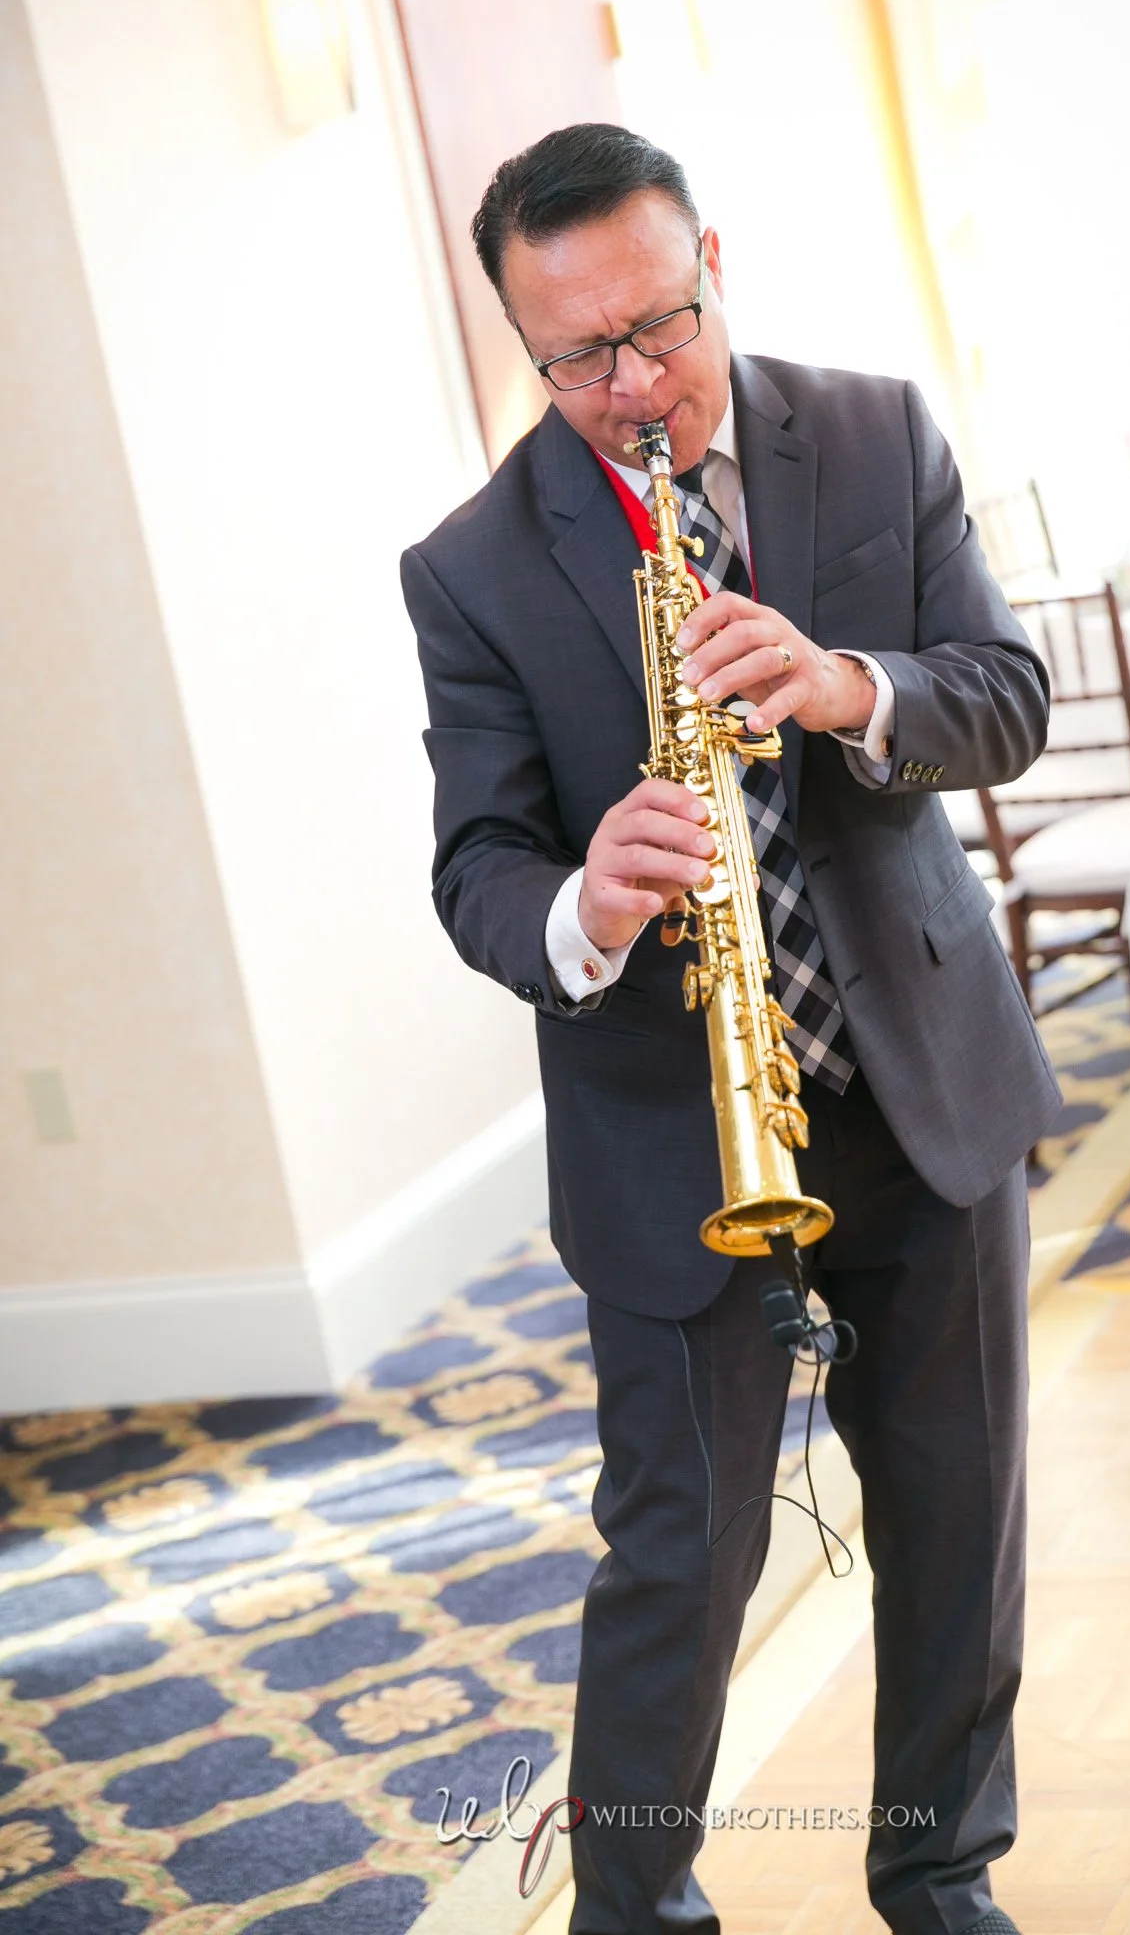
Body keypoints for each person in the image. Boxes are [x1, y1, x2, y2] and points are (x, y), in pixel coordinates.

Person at [401, 122, 1060, 1935]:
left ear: (715, 263)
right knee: (680, 1561)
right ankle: (633, 1911)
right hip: (671, 1139)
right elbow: (476, 871)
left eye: (660, 328)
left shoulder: (876, 430)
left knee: (958, 1520)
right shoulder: (467, 569)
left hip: (919, 1087)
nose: (633, 385)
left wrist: (850, 689)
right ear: (524, 348)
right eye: (578, 357)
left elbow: (1007, 698)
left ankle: (940, 1878)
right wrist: (587, 902)